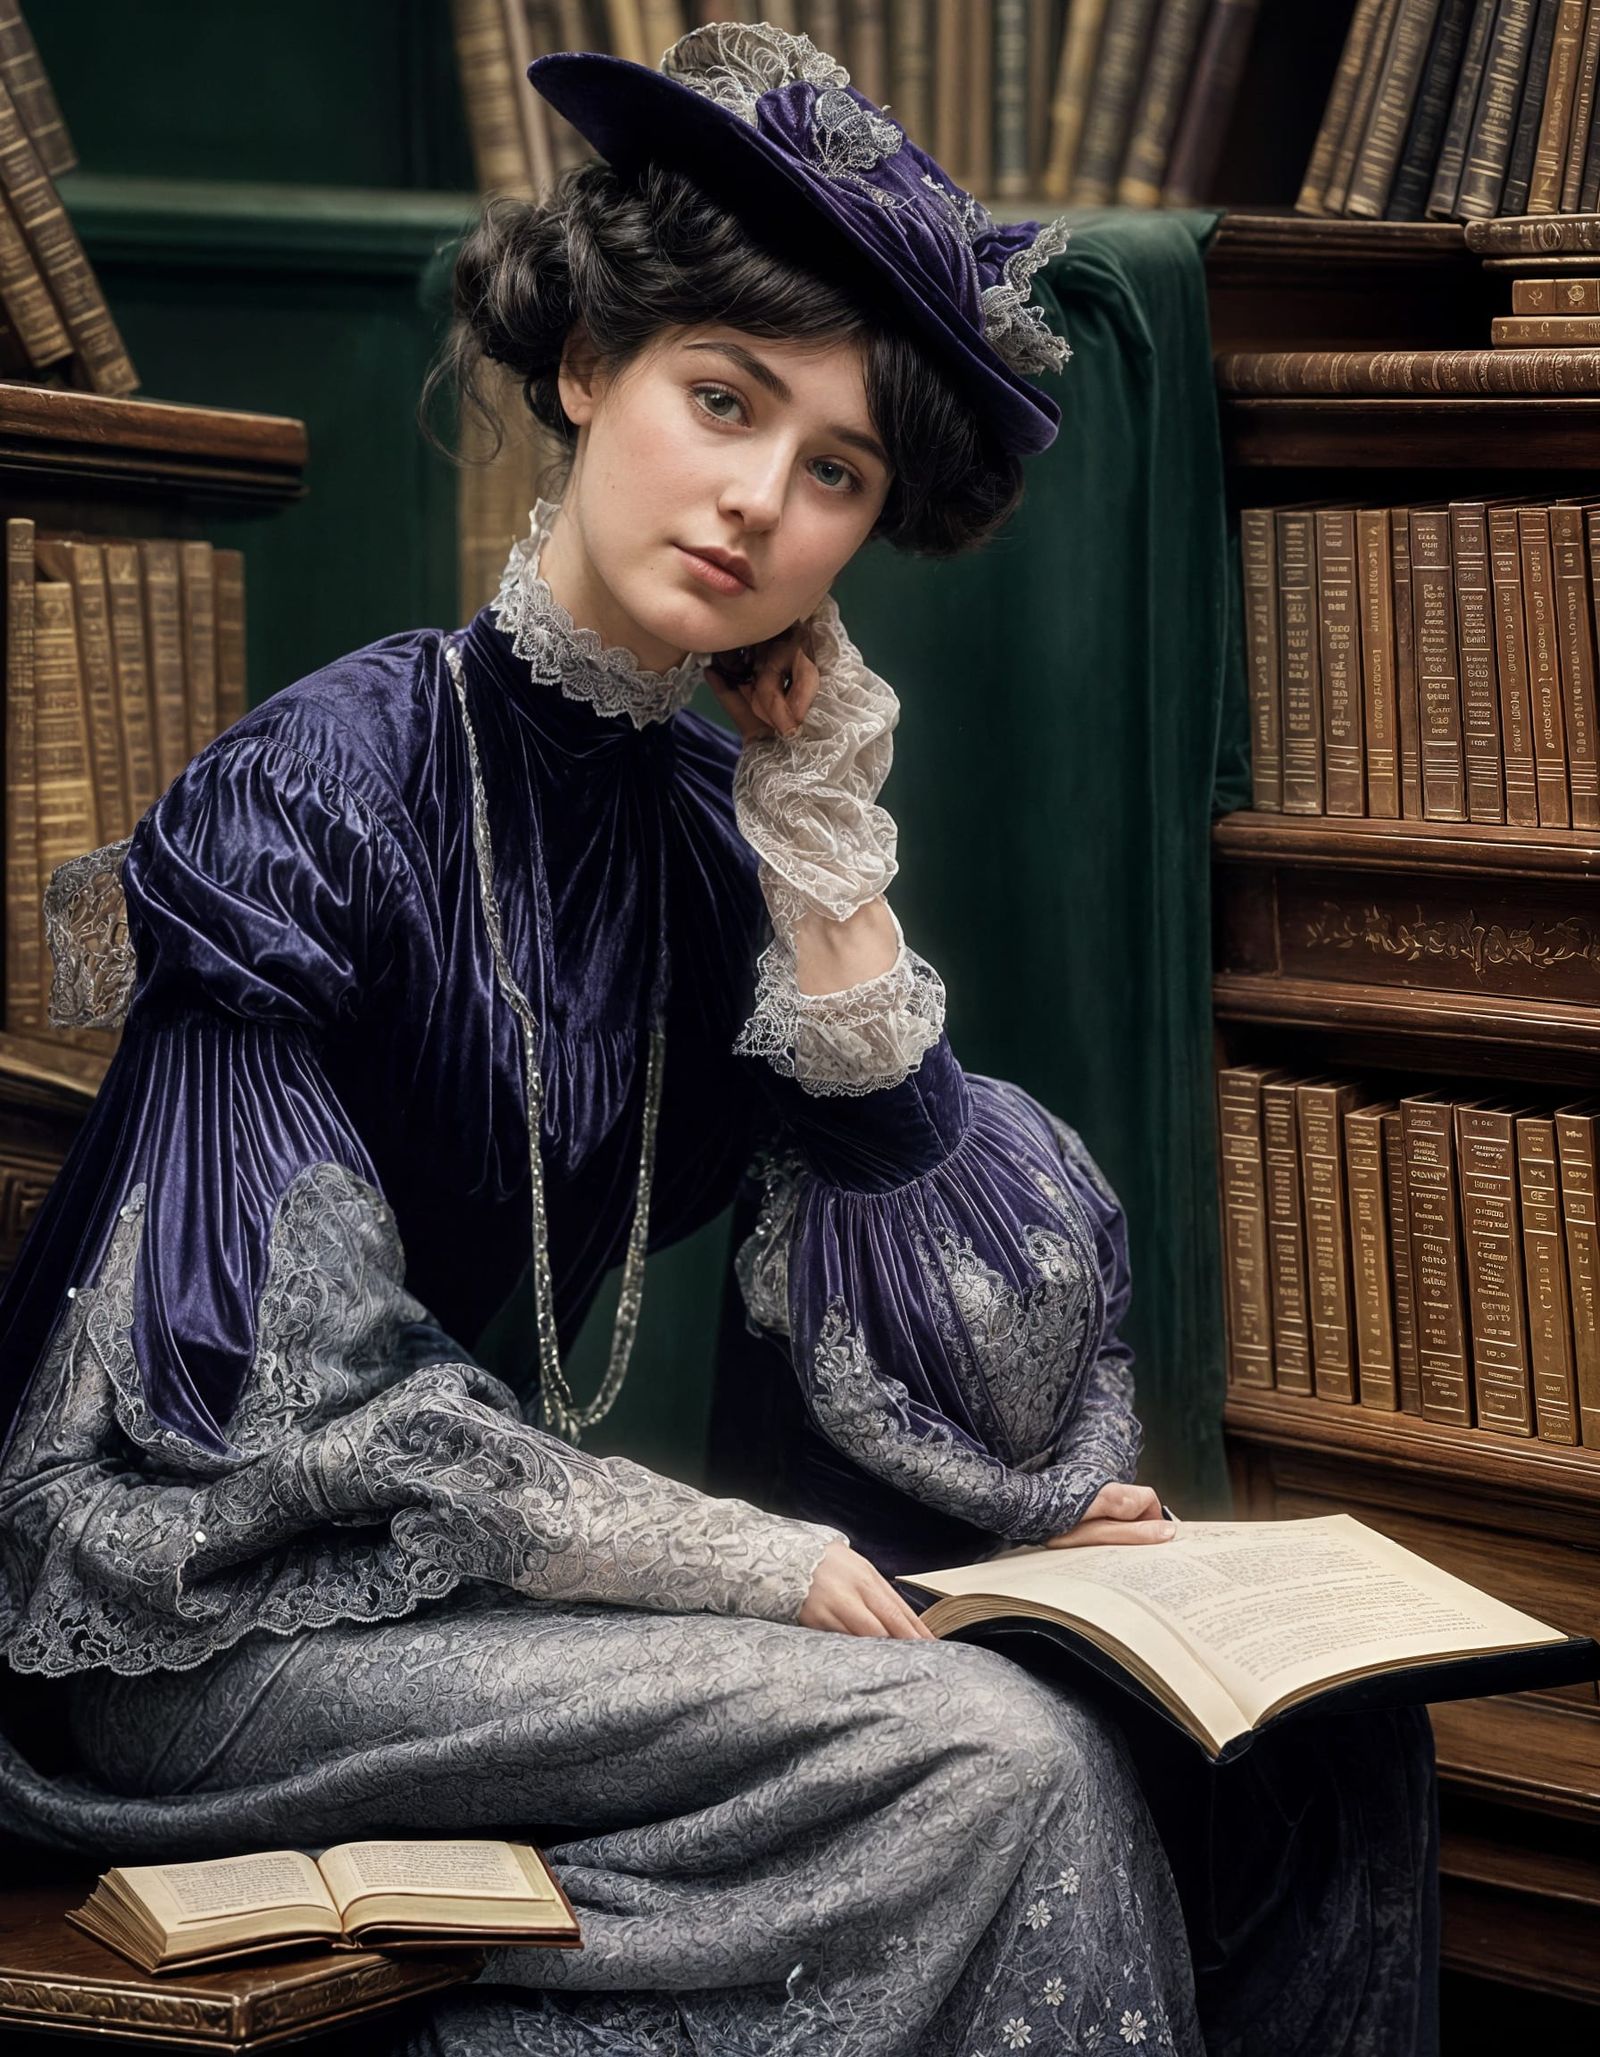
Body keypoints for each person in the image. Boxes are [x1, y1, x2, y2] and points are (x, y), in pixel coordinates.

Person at [0, 24, 1436, 2055]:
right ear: (586, 368)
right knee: (990, 1768)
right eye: (718, 400)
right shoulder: (322, 780)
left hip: (457, 1579)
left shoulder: (715, 845)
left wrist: (831, 869)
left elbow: (1000, 1380)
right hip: (200, 1608)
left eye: (832, 467)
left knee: (1297, 1748)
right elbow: (259, 1390)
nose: (757, 499)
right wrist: (731, 1556)